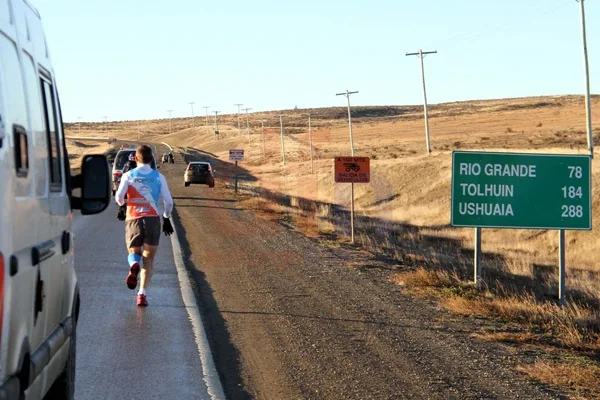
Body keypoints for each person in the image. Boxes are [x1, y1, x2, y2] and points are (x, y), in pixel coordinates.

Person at [115, 145, 174, 306]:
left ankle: (133, 264)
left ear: (135, 158)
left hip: (133, 218)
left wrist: (123, 205)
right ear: (152, 159)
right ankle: (142, 294)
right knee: (148, 259)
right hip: (152, 219)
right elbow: (168, 202)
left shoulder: (128, 175)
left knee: (134, 251)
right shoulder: (159, 177)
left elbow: (119, 197)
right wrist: (166, 217)